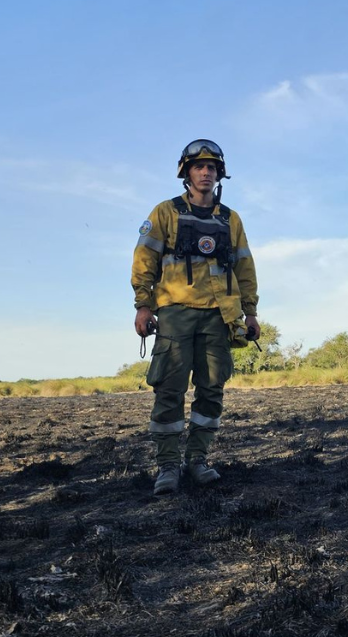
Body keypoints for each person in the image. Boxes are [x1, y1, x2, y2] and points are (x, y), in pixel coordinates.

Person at [131, 139, 260, 496]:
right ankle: (168, 466)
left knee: (212, 388)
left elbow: (245, 266)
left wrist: (250, 312)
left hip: (220, 316)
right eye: (198, 167)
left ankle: (198, 460)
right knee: (169, 389)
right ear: (186, 173)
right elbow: (144, 261)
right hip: (175, 314)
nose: (206, 172)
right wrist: (144, 305)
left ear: (220, 174)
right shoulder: (164, 212)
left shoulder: (230, 219)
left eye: (212, 167)